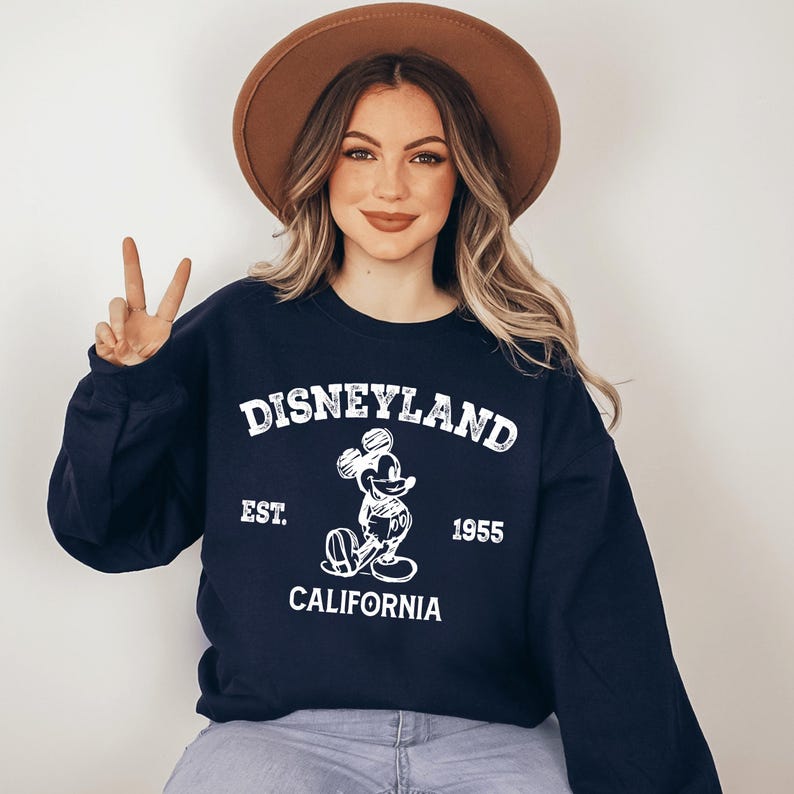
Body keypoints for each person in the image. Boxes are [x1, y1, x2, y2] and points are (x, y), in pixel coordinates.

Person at [46, 3, 723, 793]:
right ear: (321, 168)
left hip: (491, 744)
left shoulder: (529, 368)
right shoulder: (237, 332)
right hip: (280, 742)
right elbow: (107, 533)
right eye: (359, 151)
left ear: (462, 173)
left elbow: (604, 615)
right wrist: (127, 389)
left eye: (426, 157)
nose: (391, 186)